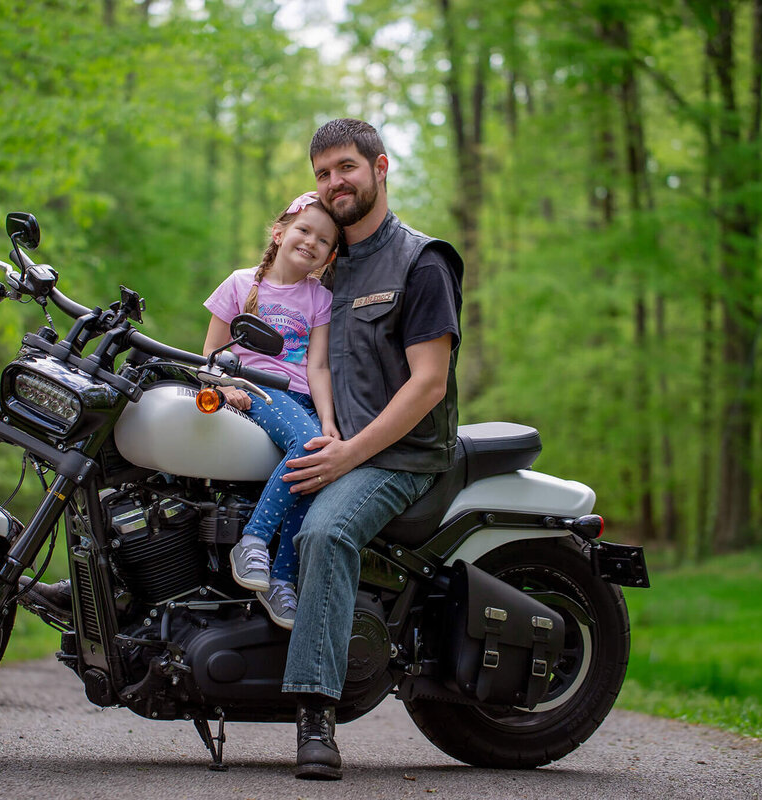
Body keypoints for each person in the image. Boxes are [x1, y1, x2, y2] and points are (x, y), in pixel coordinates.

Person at [278, 118, 464, 780]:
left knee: (326, 534)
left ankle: (316, 717)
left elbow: (429, 385)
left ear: (380, 168)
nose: (334, 183)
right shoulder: (325, 261)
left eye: (346, 168)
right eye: (323, 173)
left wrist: (348, 454)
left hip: (399, 458)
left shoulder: (422, 262)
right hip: (337, 442)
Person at [201, 193, 341, 630]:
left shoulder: (320, 297)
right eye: (303, 230)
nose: (310, 242)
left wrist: (331, 422)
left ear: (329, 255)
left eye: (323, 239)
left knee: (319, 466)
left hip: (301, 398)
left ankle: (282, 580)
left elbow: (317, 366)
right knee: (308, 445)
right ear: (279, 233)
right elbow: (210, 353)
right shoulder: (240, 284)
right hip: (258, 390)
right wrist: (226, 385)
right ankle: (254, 540)